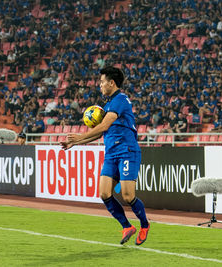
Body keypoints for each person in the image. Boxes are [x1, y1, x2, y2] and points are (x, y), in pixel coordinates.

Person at [60, 66, 150, 245]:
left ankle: (145, 225)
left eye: (102, 82)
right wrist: (75, 143)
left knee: (127, 195)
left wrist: (79, 136)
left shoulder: (120, 100)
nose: (99, 85)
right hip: (111, 154)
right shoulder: (107, 105)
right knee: (104, 193)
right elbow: (98, 133)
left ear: (112, 82)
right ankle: (126, 226)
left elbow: (104, 126)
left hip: (127, 151)